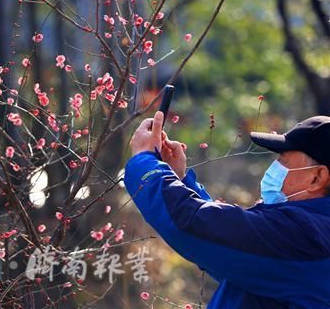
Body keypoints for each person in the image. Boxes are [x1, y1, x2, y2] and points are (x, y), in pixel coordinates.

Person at [125, 112, 330, 308]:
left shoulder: (303, 235)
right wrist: (179, 182)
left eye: (283, 161)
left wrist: (145, 162)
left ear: (317, 177)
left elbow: (193, 224)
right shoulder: (313, 234)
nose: (275, 167)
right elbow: (231, 251)